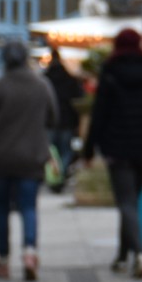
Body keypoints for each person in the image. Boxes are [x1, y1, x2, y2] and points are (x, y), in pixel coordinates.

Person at [81, 28, 142, 278]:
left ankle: (140, 255)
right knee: (131, 201)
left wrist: (88, 149)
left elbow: (98, 116)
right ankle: (123, 257)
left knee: (126, 202)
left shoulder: (110, 75)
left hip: (117, 147)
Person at [0, 40, 59, 281]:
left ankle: (2, 261)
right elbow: (54, 118)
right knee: (29, 207)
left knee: (1, 209)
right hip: (32, 156)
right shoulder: (41, 85)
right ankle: (30, 252)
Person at [44, 49, 85, 192]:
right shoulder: (70, 79)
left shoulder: (44, 79)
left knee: (50, 152)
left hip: (49, 123)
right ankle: (61, 175)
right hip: (67, 122)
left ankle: (55, 177)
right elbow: (78, 99)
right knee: (65, 151)